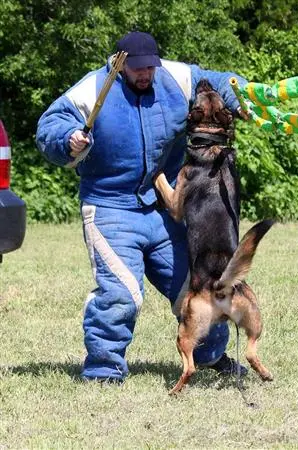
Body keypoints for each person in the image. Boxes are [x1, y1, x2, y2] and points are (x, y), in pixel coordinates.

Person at [36, 31, 249, 382]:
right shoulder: (93, 89)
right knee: (122, 293)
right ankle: (104, 369)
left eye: (150, 68)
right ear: (120, 64)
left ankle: (211, 356)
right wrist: (67, 139)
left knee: (199, 289)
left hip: (163, 209)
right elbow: (50, 125)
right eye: (136, 69)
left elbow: (221, 83)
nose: (145, 75)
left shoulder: (175, 79)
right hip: (110, 209)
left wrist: (244, 98)